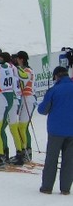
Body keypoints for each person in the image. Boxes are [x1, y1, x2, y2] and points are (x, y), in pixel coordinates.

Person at [37, 66, 73, 195]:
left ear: (57, 76)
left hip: (56, 130)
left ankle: (47, 187)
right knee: (69, 160)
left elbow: (43, 110)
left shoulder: (54, 90)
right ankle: (65, 188)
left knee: (51, 159)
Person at [9, 51, 36, 164]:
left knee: (22, 127)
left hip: (28, 99)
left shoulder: (28, 71)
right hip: (24, 98)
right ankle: (23, 151)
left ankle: (25, 152)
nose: (16, 61)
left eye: (18, 59)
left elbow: (23, 79)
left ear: (22, 59)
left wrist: (15, 68)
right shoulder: (23, 69)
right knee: (22, 127)